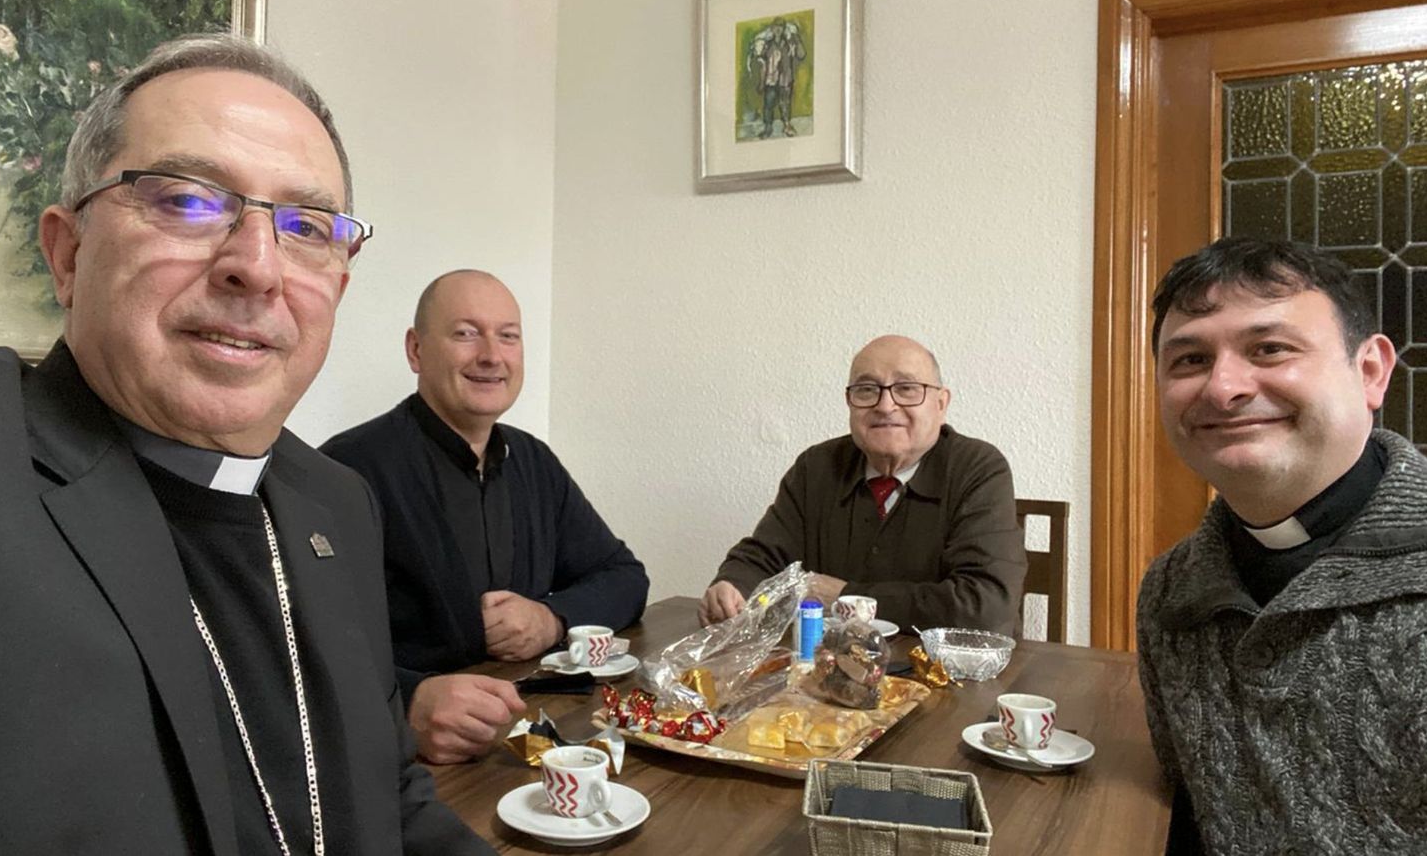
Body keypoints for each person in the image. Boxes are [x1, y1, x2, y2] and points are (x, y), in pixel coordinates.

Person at [0, 34, 492, 855]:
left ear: (338, 288)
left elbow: (389, 800)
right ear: (66, 253)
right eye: (186, 199)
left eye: (306, 226)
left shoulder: (338, 503)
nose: (258, 267)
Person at [1138, 237, 1427, 854]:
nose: (1223, 388)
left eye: (1269, 348)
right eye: (1189, 360)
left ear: (1371, 370)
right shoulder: (1169, 593)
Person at [322, 270, 649, 764]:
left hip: (530, 736)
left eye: (508, 336)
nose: (491, 355)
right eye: (465, 333)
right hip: (408, 756)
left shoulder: (534, 462)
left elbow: (626, 578)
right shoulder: (346, 470)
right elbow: (304, 644)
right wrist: (410, 701)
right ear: (416, 350)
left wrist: (551, 618)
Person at [699, 335, 1026, 635]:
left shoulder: (978, 469)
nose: (885, 406)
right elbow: (764, 555)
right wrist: (732, 585)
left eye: (907, 388)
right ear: (850, 403)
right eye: (867, 390)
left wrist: (845, 599)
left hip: (944, 679)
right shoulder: (817, 466)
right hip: (824, 674)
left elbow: (984, 606)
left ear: (941, 403)